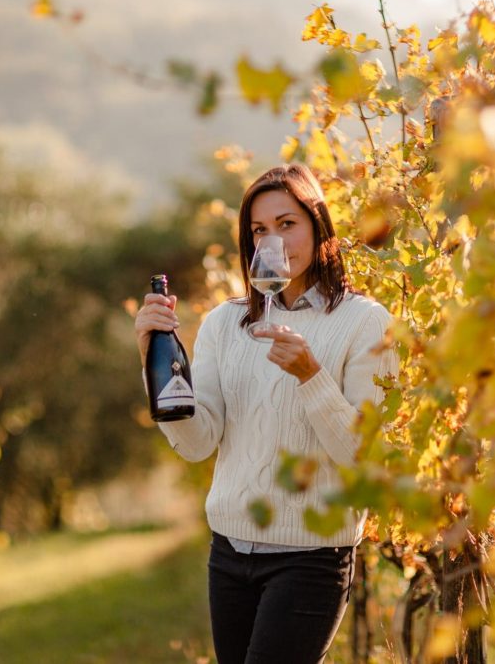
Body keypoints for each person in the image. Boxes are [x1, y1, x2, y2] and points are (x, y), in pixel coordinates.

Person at [134, 163, 398, 664]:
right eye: (259, 230)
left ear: (319, 227)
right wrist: (150, 358)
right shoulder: (224, 324)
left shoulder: (365, 323)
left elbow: (369, 461)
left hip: (311, 559)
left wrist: (311, 376)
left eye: (287, 223)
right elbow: (196, 444)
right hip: (229, 556)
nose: (272, 240)